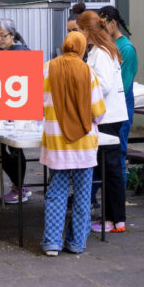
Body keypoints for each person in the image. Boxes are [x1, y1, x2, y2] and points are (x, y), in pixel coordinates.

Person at [40, 31, 105, 256]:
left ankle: (52, 243)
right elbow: (98, 111)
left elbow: (38, 104)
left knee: (55, 193)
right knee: (82, 195)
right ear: (81, 48)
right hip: (84, 145)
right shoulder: (88, 72)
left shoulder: (47, 68)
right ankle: (76, 243)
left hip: (57, 144)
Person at [77, 10, 128, 234]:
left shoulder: (100, 52)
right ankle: (114, 219)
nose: (77, 34)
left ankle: (113, 220)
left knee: (110, 170)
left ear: (87, 30)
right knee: (110, 169)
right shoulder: (105, 49)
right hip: (111, 115)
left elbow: (104, 85)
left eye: (79, 30)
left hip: (107, 116)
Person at [0, 18, 31, 204]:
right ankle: (18, 185)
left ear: (12, 35)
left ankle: (19, 187)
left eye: (2, 35)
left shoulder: (21, 53)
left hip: (17, 110)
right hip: (1, 110)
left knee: (15, 149)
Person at [98, 5, 137, 187]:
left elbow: (124, 83)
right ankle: (94, 197)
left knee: (118, 152)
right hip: (105, 107)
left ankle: (118, 198)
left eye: (103, 25)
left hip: (120, 107)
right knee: (101, 154)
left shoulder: (127, 49)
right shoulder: (107, 45)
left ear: (113, 23)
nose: (101, 30)